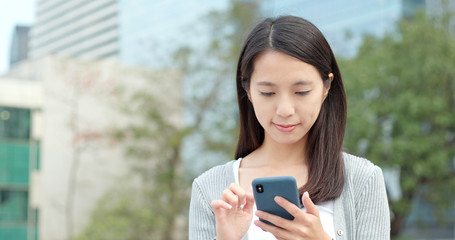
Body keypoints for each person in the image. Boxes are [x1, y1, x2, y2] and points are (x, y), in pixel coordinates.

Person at [189, 15, 390, 240]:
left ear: (326, 87)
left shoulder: (363, 180)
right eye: (268, 93)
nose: (285, 110)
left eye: (301, 92)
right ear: (248, 90)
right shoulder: (209, 189)